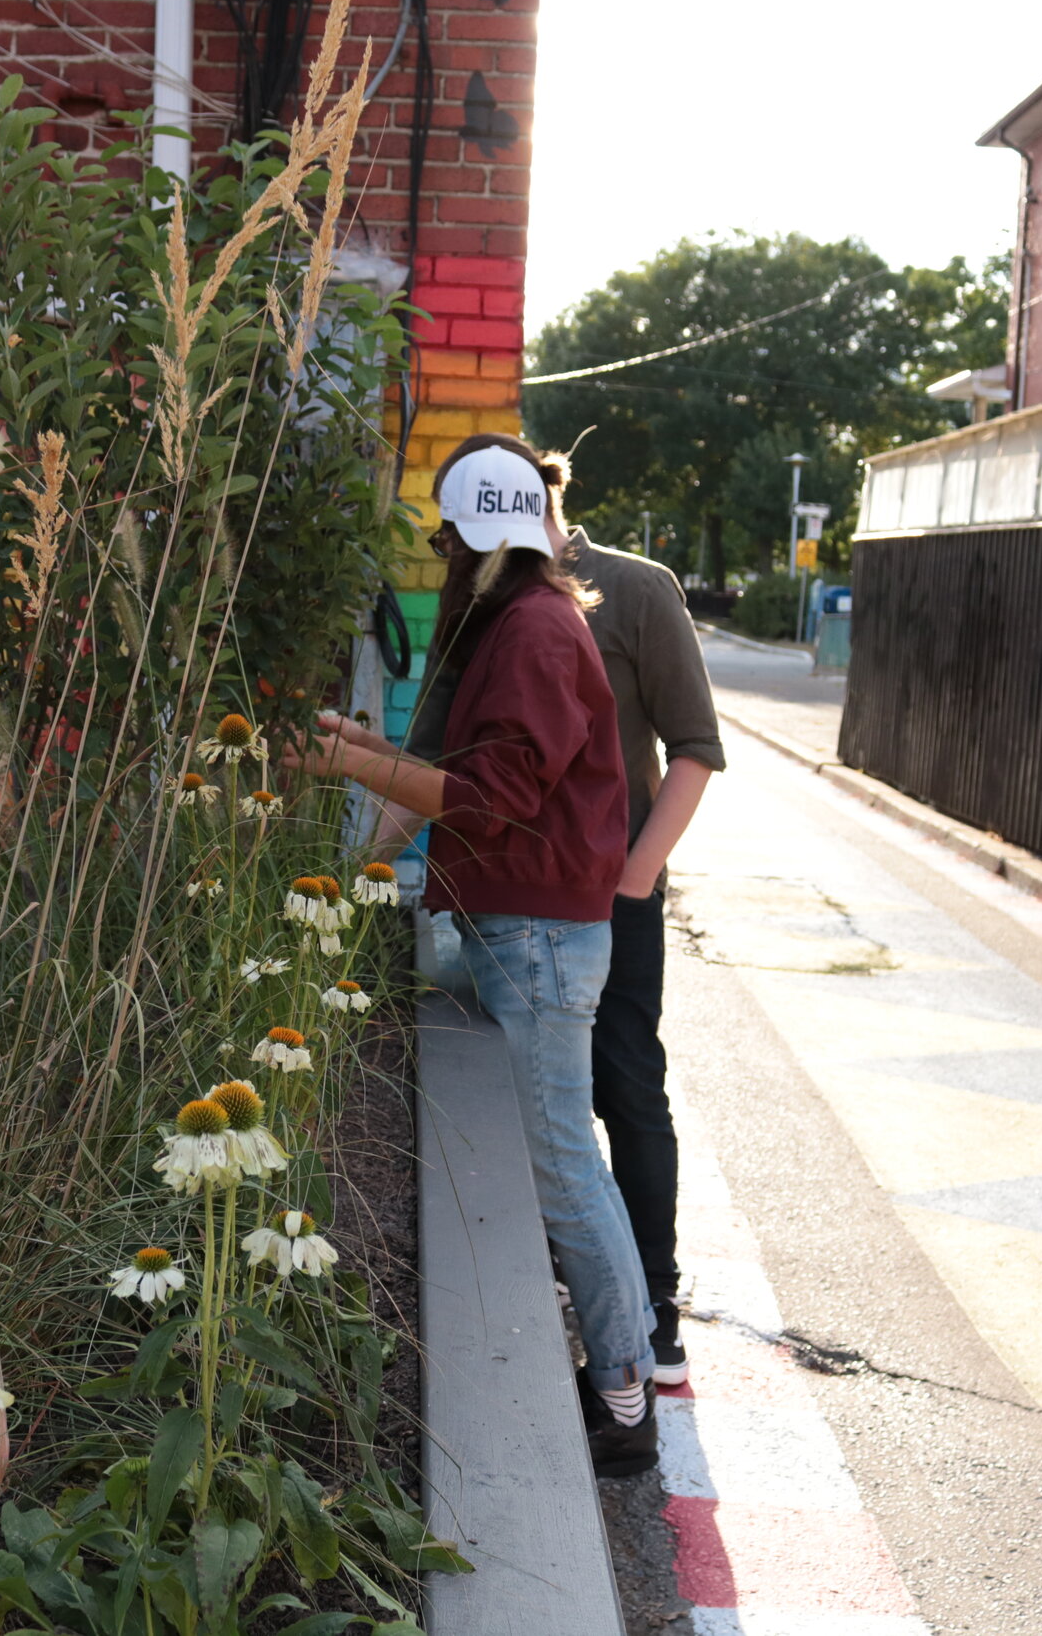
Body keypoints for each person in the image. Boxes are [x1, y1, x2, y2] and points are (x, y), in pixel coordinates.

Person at [285, 435, 660, 1477]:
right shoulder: (524, 618)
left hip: (538, 939)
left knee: (565, 1165)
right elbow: (478, 778)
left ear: (477, 538)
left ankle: (626, 1394)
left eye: (449, 535)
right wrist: (353, 750)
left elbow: (494, 803)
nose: (442, 551)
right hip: (519, 925)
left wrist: (346, 760)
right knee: (562, 1157)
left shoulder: (533, 634)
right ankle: (619, 1363)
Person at [399, 435, 724, 1388]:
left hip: (593, 893)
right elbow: (433, 767)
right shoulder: (494, 607)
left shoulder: (615, 593)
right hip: (539, 897)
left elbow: (693, 749)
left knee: (618, 1101)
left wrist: (629, 881)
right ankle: (612, 1325)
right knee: (562, 1130)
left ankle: (645, 1336)